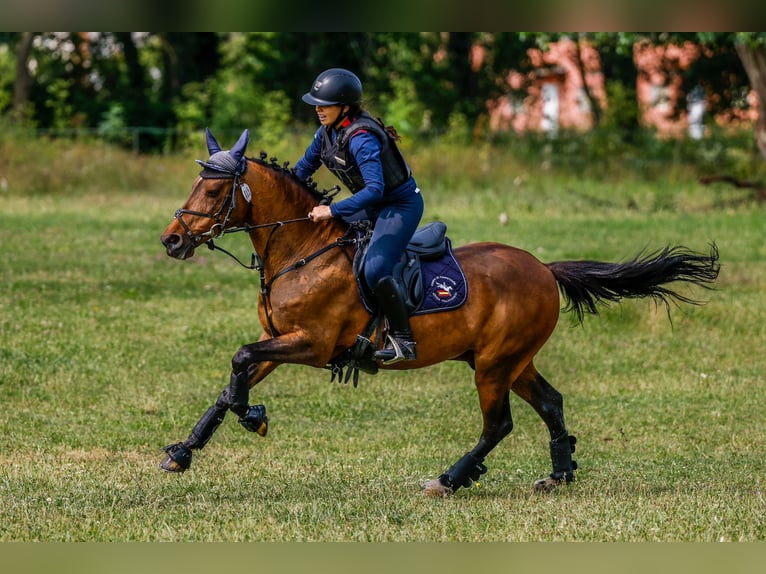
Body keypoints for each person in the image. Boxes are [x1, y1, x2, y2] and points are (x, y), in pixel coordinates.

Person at [294, 68, 424, 365]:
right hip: (371, 204)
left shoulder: (361, 137)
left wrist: (332, 210)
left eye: (323, 104)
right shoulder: (326, 132)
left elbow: (376, 190)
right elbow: (303, 169)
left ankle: (404, 339)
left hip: (398, 205)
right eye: (316, 103)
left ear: (345, 107)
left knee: (375, 269)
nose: (317, 108)